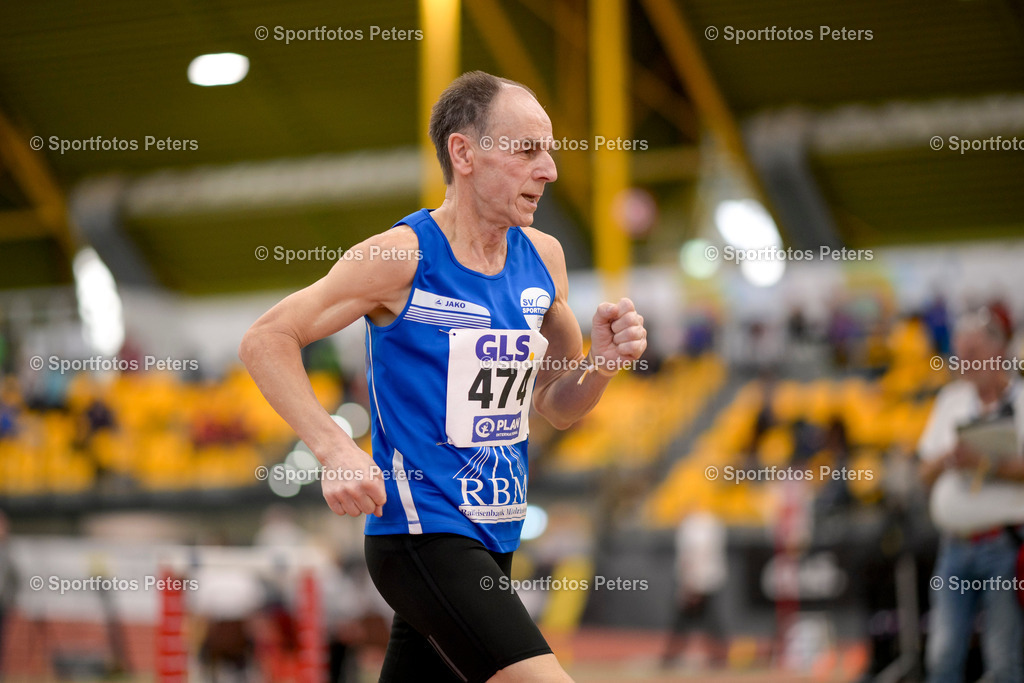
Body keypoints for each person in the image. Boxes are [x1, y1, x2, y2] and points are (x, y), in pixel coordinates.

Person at [240, 71, 647, 683]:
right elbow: (265, 339)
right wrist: (333, 448)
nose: (551, 169)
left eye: (552, 149)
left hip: (497, 537)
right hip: (421, 533)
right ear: (465, 153)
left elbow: (557, 405)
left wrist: (604, 365)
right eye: (528, 149)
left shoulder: (545, 259)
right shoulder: (400, 256)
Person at [918, 309, 1024, 683]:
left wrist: (987, 462)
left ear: (998, 351)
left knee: (1004, 659)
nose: (965, 362)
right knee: (943, 655)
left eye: (974, 352)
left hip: (1006, 548)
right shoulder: (951, 400)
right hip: (955, 547)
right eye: (960, 353)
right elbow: (923, 471)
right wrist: (948, 458)